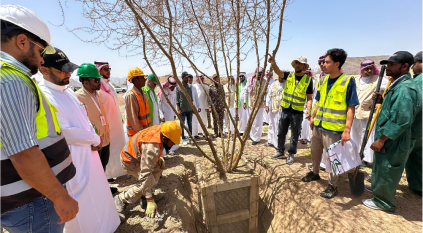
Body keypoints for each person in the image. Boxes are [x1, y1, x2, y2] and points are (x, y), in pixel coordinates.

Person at [0, 5, 77, 232]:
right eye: (41, 51)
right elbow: (23, 153)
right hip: (32, 200)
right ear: (22, 41)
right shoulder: (11, 80)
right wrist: (60, 197)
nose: (42, 60)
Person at [39, 55, 120, 232]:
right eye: (63, 70)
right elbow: (64, 131)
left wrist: (94, 136)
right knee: (83, 202)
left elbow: (86, 120)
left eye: (69, 69)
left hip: (90, 151)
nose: (68, 73)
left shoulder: (67, 91)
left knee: (99, 193)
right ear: (44, 70)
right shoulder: (44, 95)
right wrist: (94, 139)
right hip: (73, 157)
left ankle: (108, 226)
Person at [362, 52, 418, 212]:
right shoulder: (397, 85)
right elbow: (394, 109)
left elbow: (401, 119)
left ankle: (384, 202)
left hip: (394, 138)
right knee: (380, 164)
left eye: (392, 64)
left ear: (405, 66)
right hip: (388, 136)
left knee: (387, 167)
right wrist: (383, 100)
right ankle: (378, 189)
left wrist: (381, 139)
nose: (388, 67)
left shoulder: (405, 89)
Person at [302, 48, 359, 199]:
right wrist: (313, 117)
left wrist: (347, 130)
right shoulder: (323, 79)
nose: (323, 64)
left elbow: (351, 107)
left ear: (337, 64)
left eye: (327, 62)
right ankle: (315, 173)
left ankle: (332, 186)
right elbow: (319, 101)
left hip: (334, 129)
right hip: (319, 126)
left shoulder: (348, 81)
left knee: (333, 158)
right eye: (323, 62)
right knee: (315, 152)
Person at [114, 121, 182, 220]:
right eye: (172, 142)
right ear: (164, 139)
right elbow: (144, 175)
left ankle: (144, 198)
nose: (173, 145)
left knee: (159, 166)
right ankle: (121, 199)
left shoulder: (163, 130)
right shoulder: (152, 149)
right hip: (130, 161)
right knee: (147, 181)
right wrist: (150, 199)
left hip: (139, 157)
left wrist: (157, 158)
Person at [269, 55, 314, 164]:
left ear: (304, 66)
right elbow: (278, 72)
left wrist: (309, 109)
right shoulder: (288, 75)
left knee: (294, 134)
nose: (297, 65)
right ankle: (280, 150)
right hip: (285, 109)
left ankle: (291, 154)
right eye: (296, 63)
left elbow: (309, 98)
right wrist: (273, 63)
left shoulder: (308, 80)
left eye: (300, 63)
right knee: (281, 132)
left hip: (297, 112)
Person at [350, 60, 388, 167]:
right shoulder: (356, 80)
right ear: (361, 69)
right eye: (366, 69)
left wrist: (379, 100)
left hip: (368, 114)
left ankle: (367, 159)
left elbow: (387, 93)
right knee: (354, 135)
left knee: (367, 136)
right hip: (355, 112)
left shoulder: (379, 80)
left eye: (371, 68)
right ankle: (356, 156)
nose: (369, 71)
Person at [94, 60, 126, 179]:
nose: (108, 71)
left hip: (116, 122)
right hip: (107, 125)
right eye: (105, 69)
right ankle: (109, 175)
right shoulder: (98, 89)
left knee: (118, 147)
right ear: (99, 70)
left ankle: (119, 171)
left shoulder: (110, 86)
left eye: (109, 69)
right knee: (109, 150)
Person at [406, 51, 423, 197]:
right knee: (418, 156)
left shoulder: (419, 81)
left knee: (398, 155)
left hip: (415, 126)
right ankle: (419, 185)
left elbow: (414, 105)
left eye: (415, 63)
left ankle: (384, 188)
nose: (413, 66)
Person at [243, 68, 267, 145]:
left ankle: (256, 138)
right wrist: (244, 102)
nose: (259, 75)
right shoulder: (250, 80)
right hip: (250, 103)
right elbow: (246, 91)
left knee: (257, 121)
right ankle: (252, 135)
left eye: (261, 73)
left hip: (259, 105)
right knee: (251, 120)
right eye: (258, 73)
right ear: (255, 73)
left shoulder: (265, 81)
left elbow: (266, 93)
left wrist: (265, 103)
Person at [157, 76, 179, 155]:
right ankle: (164, 149)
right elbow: (159, 104)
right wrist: (161, 115)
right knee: (164, 133)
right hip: (164, 116)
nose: (173, 88)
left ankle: (171, 148)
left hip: (171, 114)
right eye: (172, 87)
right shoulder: (162, 91)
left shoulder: (174, 90)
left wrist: (174, 113)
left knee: (171, 132)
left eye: (174, 86)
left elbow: (173, 102)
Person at [125, 67, 150, 137]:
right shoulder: (131, 95)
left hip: (144, 132)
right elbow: (133, 118)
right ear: (135, 80)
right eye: (142, 77)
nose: (145, 79)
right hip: (137, 135)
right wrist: (142, 133)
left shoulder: (142, 93)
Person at [265, 71, 286, 149]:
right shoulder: (273, 84)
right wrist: (267, 105)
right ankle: (275, 143)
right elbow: (269, 95)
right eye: (280, 77)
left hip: (283, 109)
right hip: (274, 108)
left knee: (282, 127)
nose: (281, 79)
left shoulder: (288, 85)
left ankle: (280, 144)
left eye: (283, 77)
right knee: (273, 125)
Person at [176, 71, 194, 144]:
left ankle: (190, 138)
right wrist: (178, 109)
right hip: (182, 109)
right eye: (186, 77)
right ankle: (183, 138)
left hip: (189, 109)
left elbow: (191, 98)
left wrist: (193, 108)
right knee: (182, 125)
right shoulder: (178, 87)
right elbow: (177, 100)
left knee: (190, 124)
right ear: (182, 78)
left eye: (188, 77)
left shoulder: (189, 86)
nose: (187, 79)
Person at [299, 68, 315, 144]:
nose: (305, 75)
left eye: (307, 73)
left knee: (307, 121)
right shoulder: (301, 82)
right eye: (304, 73)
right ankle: (302, 136)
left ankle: (307, 138)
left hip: (310, 104)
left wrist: (308, 104)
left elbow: (313, 95)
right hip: (302, 104)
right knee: (302, 122)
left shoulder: (313, 81)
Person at [209, 74, 226, 138]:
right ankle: (216, 133)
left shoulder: (221, 86)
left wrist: (224, 105)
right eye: (215, 78)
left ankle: (221, 133)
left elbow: (223, 95)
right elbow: (209, 97)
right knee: (215, 120)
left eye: (217, 78)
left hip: (221, 106)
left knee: (221, 120)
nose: (216, 79)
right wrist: (210, 106)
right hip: (214, 106)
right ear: (213, 79)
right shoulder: (211, 87)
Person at [187, 74, 201, 138]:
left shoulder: (194, 88)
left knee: (195, 121)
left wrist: (199, 106)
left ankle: (195, 134)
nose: (190, 81)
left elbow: (196, 98)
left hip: (194, 107)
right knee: (188, 121)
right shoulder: (184, 88)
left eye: (191, 80)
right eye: (189, 80)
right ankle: (188, 135)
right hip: (187, 107)